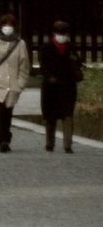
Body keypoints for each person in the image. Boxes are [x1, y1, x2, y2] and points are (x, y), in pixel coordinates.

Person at [0, 13, 30, 153]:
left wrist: (20, 83)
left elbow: (24, 66)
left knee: (8, 112)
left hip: (13, 83)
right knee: (1, 111)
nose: (7, 28)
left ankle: (6, 137)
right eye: (5, 25)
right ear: (0, 26)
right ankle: (2, 139)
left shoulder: (20, 44)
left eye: (10, 25)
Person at [40, 20, 81, 153]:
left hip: (68, 86)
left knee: (67, 115)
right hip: (51, 87)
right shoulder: (46, 47)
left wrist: (75, 62)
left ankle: (67, 145)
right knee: (50, 116)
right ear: (54, 33)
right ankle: (49, 143)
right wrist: (49, 76)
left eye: (63, 32)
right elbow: (43, 66)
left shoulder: (72, 48)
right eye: (59, 32)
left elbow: (78, 65)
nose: (61, 35)